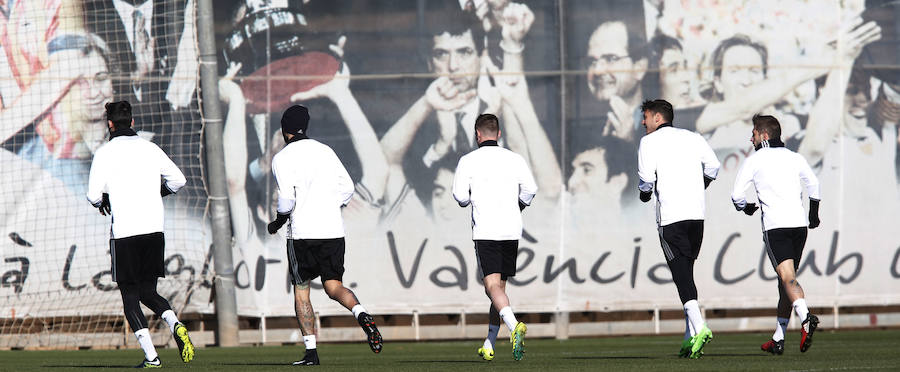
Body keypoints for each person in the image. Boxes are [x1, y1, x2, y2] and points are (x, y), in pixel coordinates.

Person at [266, 105, 383, 366]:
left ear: (285, 131)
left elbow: (285, 202)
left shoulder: (282, 158)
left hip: (302, 235)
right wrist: (329, 205)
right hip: (332, 232)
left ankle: (311, 353)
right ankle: (361, 313)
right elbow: (348, 188)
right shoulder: (325, 151)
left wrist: (276, 223)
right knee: (334, 287)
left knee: (301, 292)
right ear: (305, 127)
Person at [85, 101, 193, 368]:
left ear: (109, 124)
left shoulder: (104, 153)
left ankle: (152, 357)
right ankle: (174, 323)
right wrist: (157, 193)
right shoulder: (150, 148)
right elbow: (179, 181)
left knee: (130, 298)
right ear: (132, 122)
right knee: (148, 291)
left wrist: (104, 202)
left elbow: (92, 196)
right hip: (154, 231)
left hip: (125, 233)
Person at [731, 114, 821, 355]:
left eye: (753, 133)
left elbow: (736, 195)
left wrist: (746, 207)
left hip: (776, 226)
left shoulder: (755, 159)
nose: (751, 138)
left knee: (787, 278)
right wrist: (814, 215)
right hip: (799, 226)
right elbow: (814, 185)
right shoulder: (795, 157)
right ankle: (778, 338)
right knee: (786, 283)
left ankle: (805, 317)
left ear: (764, 135)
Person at [637, 99, 720, 359]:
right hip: (696, 216)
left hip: (671, 217)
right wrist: (698, 185)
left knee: (681, 276)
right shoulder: (693, 137)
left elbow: (646, 181)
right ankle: (690, 336)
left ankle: (701, 327)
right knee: (687, 274)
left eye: (646, 117)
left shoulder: (648, 142)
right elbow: (714, 167)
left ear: (658, 118)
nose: (643, 122)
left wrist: (644, 194)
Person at [451, 113, 537, 361]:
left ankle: (514, 327)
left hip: (486, 230)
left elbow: (460, 197)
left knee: (491, 287)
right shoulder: (515, 158)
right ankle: (489, 343)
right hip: (511, 230)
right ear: (498, 134)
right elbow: (531, 189)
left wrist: (471, 198)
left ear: (477, 134)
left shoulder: (468, 160)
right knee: (499, 290)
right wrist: (517, 206)